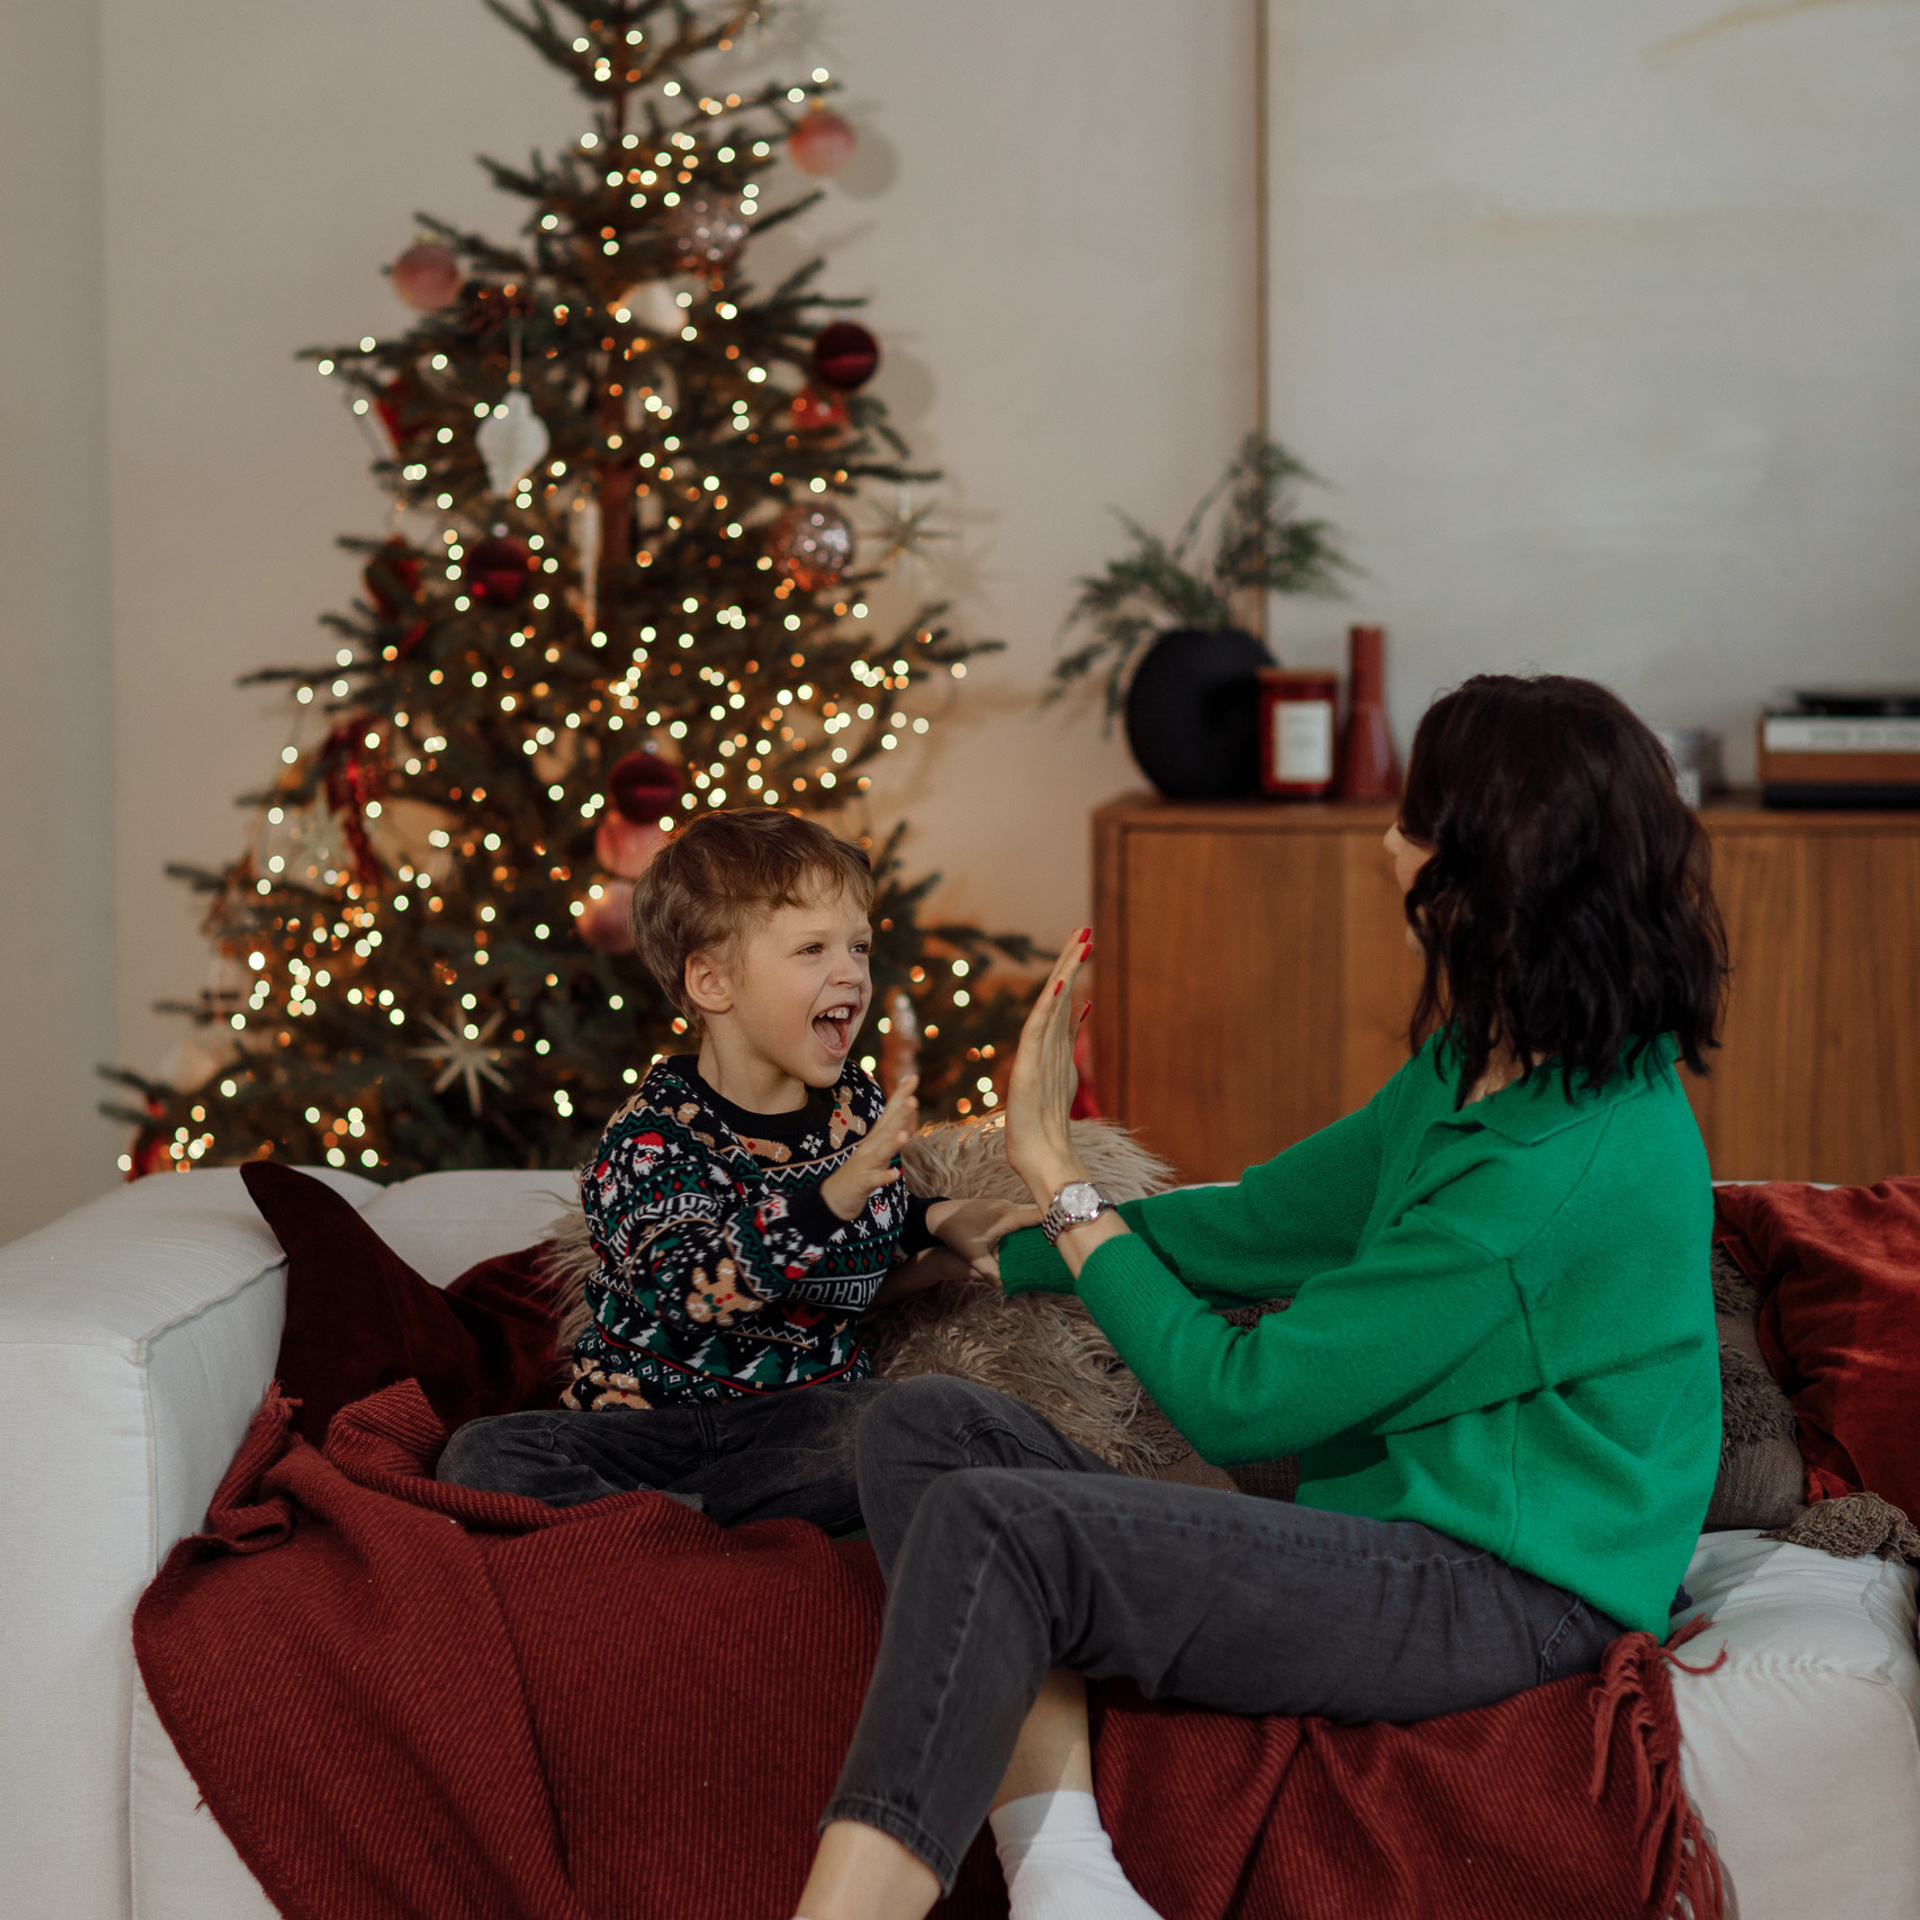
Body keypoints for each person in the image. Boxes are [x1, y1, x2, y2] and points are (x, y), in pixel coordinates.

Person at [793, 674, 1730, 1920]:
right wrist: (988, 1243)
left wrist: (1062, 1174)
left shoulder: (1548, 1176)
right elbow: (1259, 1222)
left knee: (996, 1526)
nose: (1386, 842)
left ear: (1489, 869)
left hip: (1508, 1587)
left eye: (1416, 822)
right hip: (1407, 1502)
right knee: (923, 1428)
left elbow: (1246, 1401)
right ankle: (1068, 1873)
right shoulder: (1486, 1060)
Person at [438, 809, 1034, 1530]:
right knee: (483, 1456)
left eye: (858, 946)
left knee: (903, 1423)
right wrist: (830, 1196)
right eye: (812, 949)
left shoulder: (855, 1108)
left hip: (800, 1419)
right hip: (643, 1428)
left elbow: (871, 1233)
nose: (849, 972)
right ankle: (696, 1522)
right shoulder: (649, 1139)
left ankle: (678, 1525)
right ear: (713, 983)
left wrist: (942, 1227)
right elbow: (694, 1291)